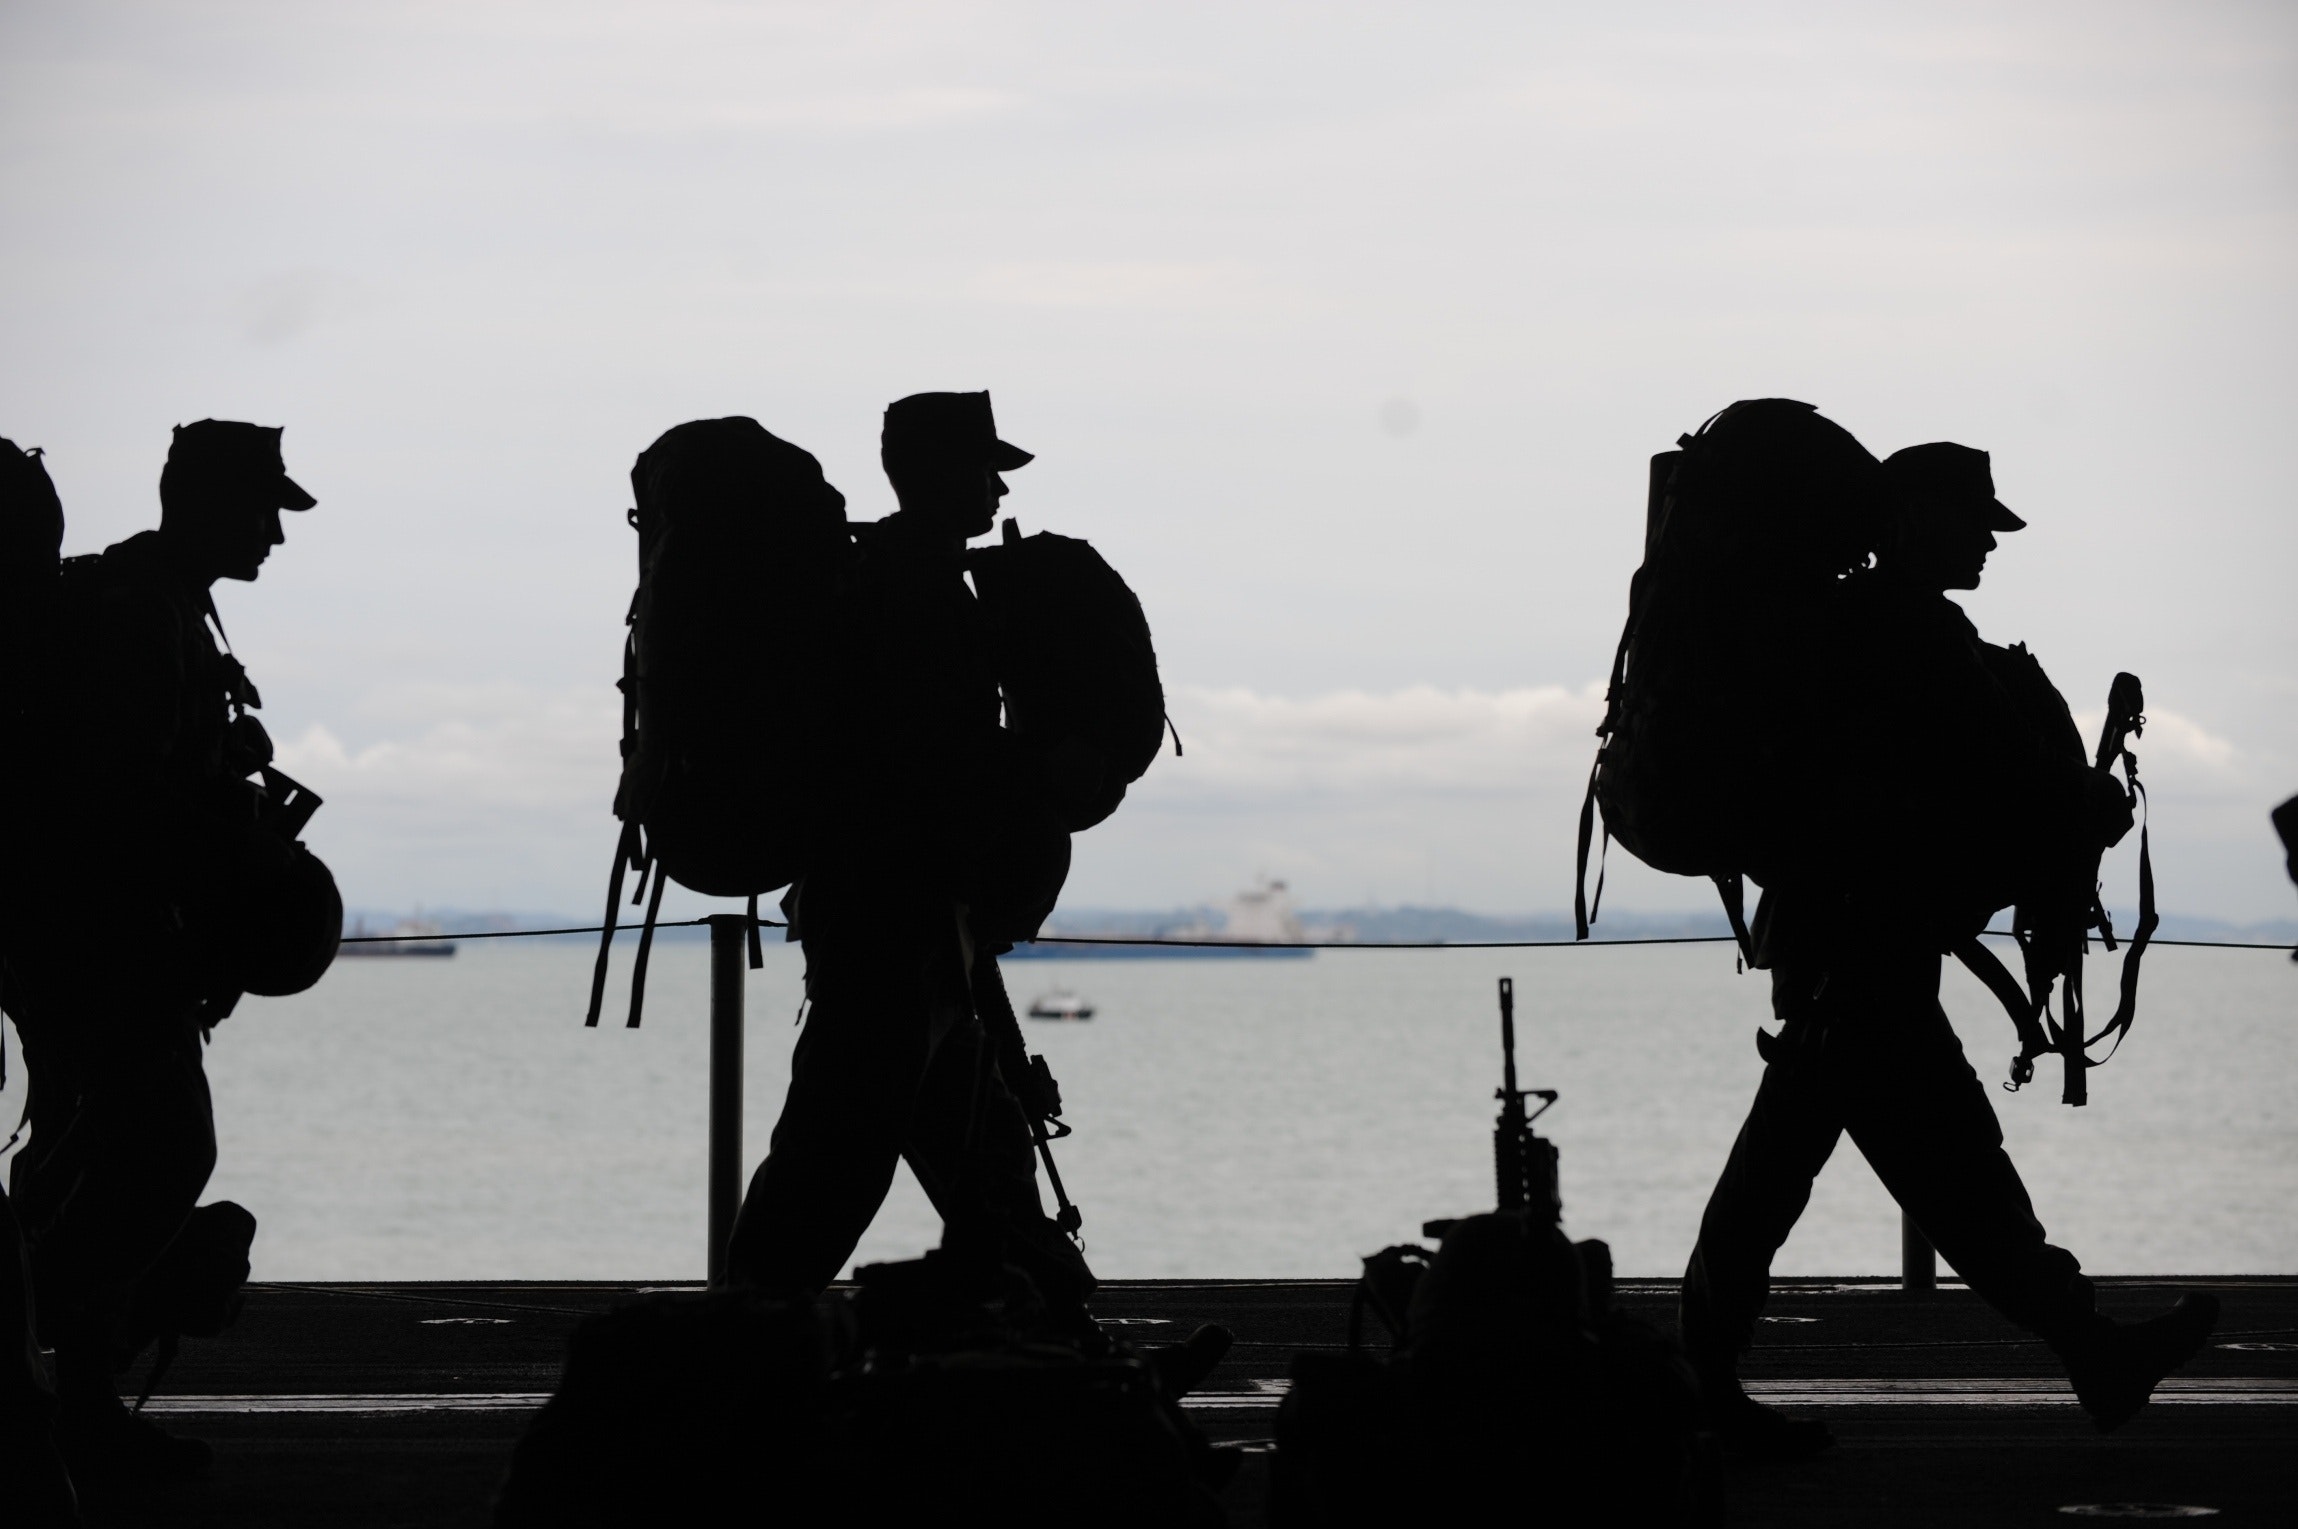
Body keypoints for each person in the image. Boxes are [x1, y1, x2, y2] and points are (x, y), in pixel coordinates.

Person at [1677, 440, 2219, 1456]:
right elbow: (2008, 771)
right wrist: (2098, 800)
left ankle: (1702, 1373)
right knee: (1946, 1174)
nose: (1986, 541)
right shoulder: (1909, 630)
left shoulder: (1857, 626)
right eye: (1973, 521)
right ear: (1912, 518)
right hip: (1862, 947)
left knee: (1840, 1171)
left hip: (1844, 941)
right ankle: (2089, 1347)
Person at [724, 392, 1095, 1329]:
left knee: (985, 1156)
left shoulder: (911, 580)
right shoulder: (906, 591)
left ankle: (1071, 1345)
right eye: (984, 464)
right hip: (894, 924)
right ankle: (739, 1350)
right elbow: (927, 766)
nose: (998, 483)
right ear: (933, 473)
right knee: (837, 1159)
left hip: (918, 927)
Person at [0, 420, 312, 1482]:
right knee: (161, 1150)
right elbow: (116, 798)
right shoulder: (142, 617)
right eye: (263, 506)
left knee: (84, 1156)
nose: (276, 530)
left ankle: (58, 1398)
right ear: (203, 501)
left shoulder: (163, 603)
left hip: (87, 937)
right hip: (102, 938)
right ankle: (75, 1401)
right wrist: (242, 853)